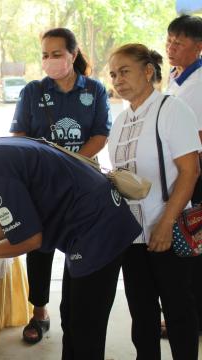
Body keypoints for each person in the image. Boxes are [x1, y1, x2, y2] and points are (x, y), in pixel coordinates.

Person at [0, 112, 142, 359]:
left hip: (98, 230)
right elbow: (11, 220)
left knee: (85, 328)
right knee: (72, 316)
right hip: (91, 226)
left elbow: (30, 239)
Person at [10, 27, 111, 343]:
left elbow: (100, 134)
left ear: (73, 53)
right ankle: (39, 312)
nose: (50, 60)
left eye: (57, 54)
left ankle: (76, 312)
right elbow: (19, 136)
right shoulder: (32, 92)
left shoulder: (94, 90)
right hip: (42, 185)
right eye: (45, 55)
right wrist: (45, 167)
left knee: (79, 250)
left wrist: (72, 164)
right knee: (39, 248)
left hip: (83, 185)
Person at [108, 43, 200, 360]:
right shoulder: (120, 122)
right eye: (113, 74)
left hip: (169, 232)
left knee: (179, 312)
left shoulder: (170, 110)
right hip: (132, 235)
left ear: (148, 72)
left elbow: (190, 172)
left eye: (125, 71)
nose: (118, 80)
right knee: (142, 313)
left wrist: (166, 221)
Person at [165, 16, 202, 338]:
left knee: (195, 247)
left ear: (199, 47)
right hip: (181, 171)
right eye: (170, 39)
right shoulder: (176, 78)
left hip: (195, 175)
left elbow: (197, 139)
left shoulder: (199, 83)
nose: (171, 47)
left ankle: (194, 319)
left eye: (179, 42)